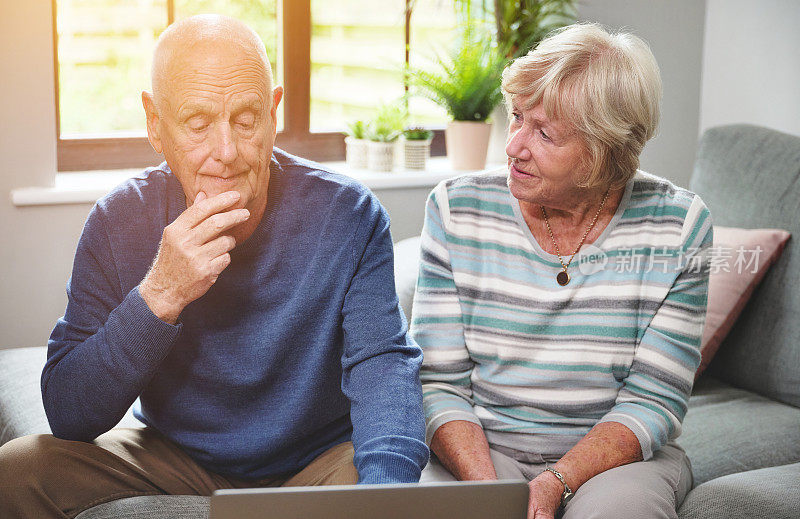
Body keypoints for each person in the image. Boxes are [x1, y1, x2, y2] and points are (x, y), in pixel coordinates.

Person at [0, 14, 428, 518]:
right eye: (198, 124)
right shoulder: (118, 220)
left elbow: (383, 368)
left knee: (381, 471)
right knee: (20, 469)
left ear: (273, 113)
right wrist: (161, 294)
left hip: (316, 461)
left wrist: (387, 499)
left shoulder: (349, 215)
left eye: (246, 120)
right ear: (155, 125)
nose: (225, 153)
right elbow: (69, 413)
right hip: (175, 455)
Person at [412, 23, 712, 519]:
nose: (513, 147)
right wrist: (488, 493)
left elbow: (654, 401)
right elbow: (437, 384)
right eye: (516, 118)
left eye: (545, 133)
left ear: (604, 154)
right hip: (482, 448)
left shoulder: (679, 228)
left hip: (615, 464)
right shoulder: (456, 209)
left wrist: (556, 482)